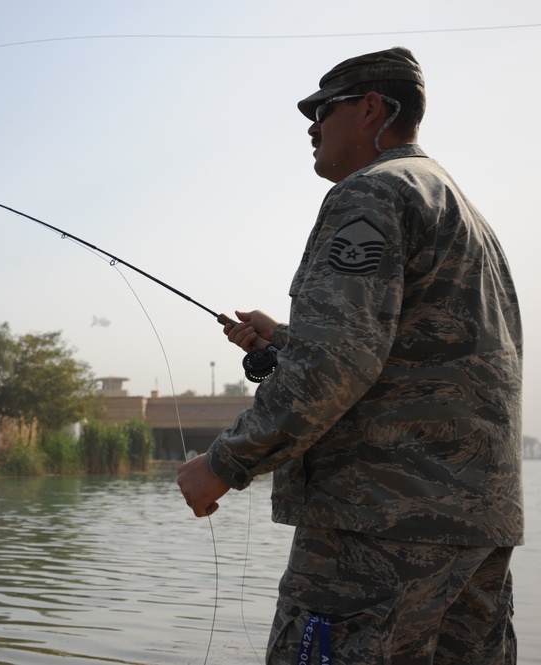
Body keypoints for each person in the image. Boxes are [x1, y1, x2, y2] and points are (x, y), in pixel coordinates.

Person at [177, 46, 523, 664]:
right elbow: (415, 350)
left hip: (374, 530)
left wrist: (223, 464)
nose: (310, 126)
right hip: (474, 536)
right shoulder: (461, 210)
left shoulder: (373, 193)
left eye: (321, 109)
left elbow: (336, 365)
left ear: (370, 109)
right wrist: (284, 338)